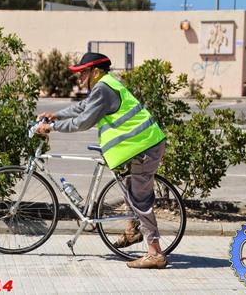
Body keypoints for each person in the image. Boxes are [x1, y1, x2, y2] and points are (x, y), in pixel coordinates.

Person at [36, 52, 168, 269]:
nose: (79, 77)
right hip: (139, 146)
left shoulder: (104, 88)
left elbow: (83, 121)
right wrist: (56, 115)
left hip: (145, 146)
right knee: (129, 188)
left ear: (96, 72)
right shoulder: (104, 85)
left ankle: (155, 253)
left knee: (140, 200)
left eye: (83, 72)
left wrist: (52, 127)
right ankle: (132, 231)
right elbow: (82, 107)